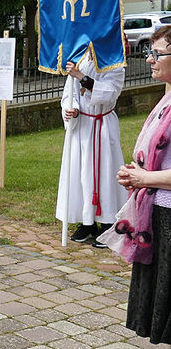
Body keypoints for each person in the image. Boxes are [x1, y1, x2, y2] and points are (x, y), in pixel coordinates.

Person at [101, 26, 171, 349]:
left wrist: (145, 179)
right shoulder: (166, 98)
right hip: (159, 213)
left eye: (158, 52)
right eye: (151, 52)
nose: (150, 58)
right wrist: (139, 173)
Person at [57, 49, 125, 246]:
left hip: (103, 126)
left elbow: (110, 93)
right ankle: (87, 223)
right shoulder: (79, 57)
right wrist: (72, 110)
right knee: (80, 174)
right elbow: (69, 94)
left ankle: (108, 223)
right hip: (83, 127)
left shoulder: (114, 62)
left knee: (105, 174)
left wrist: (80, 76)